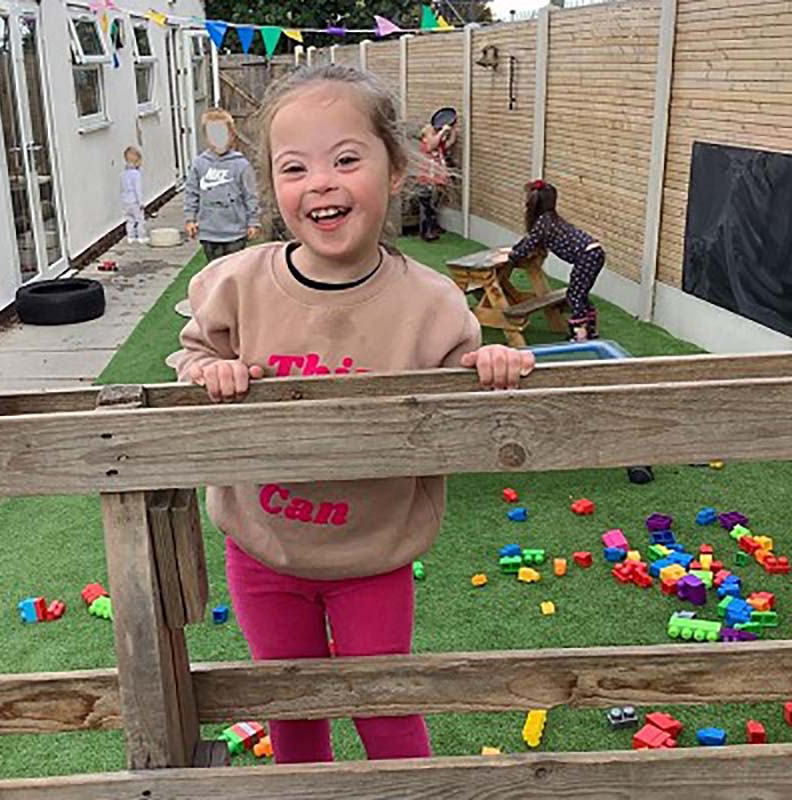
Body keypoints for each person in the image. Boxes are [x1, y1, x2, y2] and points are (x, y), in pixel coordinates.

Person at [173, 64, 534, 765]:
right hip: (263, 550)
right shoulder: (235, 286)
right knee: (293, 713)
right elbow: (191, 356)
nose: (322, 183)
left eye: (346, 159)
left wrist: (491, 367)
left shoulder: (431, 302)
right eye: (295, 167)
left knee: (386, 706)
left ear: (395, 169)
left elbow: (462, 378)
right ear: (274, 185)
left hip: (374, 557)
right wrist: (207, 370)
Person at [507, 179, 605, 342]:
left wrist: (512, 256)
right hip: (595, 252)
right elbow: (529, 240)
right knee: (580, 293)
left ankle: (580, 334)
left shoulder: (543, 223)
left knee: (574, 295)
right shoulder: (551, 220)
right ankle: (590, 330)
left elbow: (527, 247)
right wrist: (516, 248)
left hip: (586, 256)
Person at [183, 108, 261, 262]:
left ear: (231, 135)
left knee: (234, 270)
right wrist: (190, 219)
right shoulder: (200, 164)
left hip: (235, 233)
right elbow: (191, 192)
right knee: (214, 271)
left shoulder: (241, 165)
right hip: (209, 232)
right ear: (206, 137)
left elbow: (251, 195)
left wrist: (253, 222)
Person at [416, 121, 456, 241]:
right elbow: (431, 145)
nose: (435, 134)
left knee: (433, 206)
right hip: (426, 180)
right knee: (426, 207)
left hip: (436, 180)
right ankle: (426, 232)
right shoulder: (425, 145)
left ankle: (433, 227)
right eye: (432, 133)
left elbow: (450, 142)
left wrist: (452, 130)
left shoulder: (438, 145)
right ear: (425, 136)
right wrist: (443, 131)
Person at [120, 146, 148, 244]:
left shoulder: (123, 174)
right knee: (139, 219)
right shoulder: (136, 174)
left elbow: (122, 188)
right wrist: (141, 202)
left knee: (129, 220)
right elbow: (137, 190)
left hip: (125, 202)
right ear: (137, 161)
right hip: (134, 201)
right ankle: (141, 236)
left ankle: (130, 237)